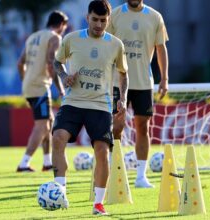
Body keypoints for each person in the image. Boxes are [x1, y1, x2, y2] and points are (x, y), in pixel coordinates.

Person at [52, 0, 128, 215]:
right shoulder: (71, 39)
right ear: (87, 18)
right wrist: (65, 76)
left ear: (108, 20)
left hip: (100, 105)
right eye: (95, 19)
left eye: (103, 20)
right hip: (73, 102)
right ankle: (60, 193)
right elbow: (57, 62)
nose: (98, 24)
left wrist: (122, 98)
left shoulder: (115, 44)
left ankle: (98, 203)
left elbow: (123, 73)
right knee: (58, 138)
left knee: (102, 151)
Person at [107, 0, 169, 188]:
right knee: (117, 126)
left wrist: (164, 78)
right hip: (117, 82)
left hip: (143, 82)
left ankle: (141, 176)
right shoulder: (115, 15)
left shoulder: (155, 16)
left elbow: (161, 48)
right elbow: (105, 46)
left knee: (143, 127)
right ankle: (113, 169)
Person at [16, 11, 68, 172]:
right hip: (40, 86)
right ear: (61, 25)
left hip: (29, 85)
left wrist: (26, 81)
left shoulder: (33, 37)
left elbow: (20, 63)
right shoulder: (55, 37)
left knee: (49, 122)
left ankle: (47, 162)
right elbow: (51, 63)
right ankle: (24, 163)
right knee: (43, 126)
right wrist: (61, 88)